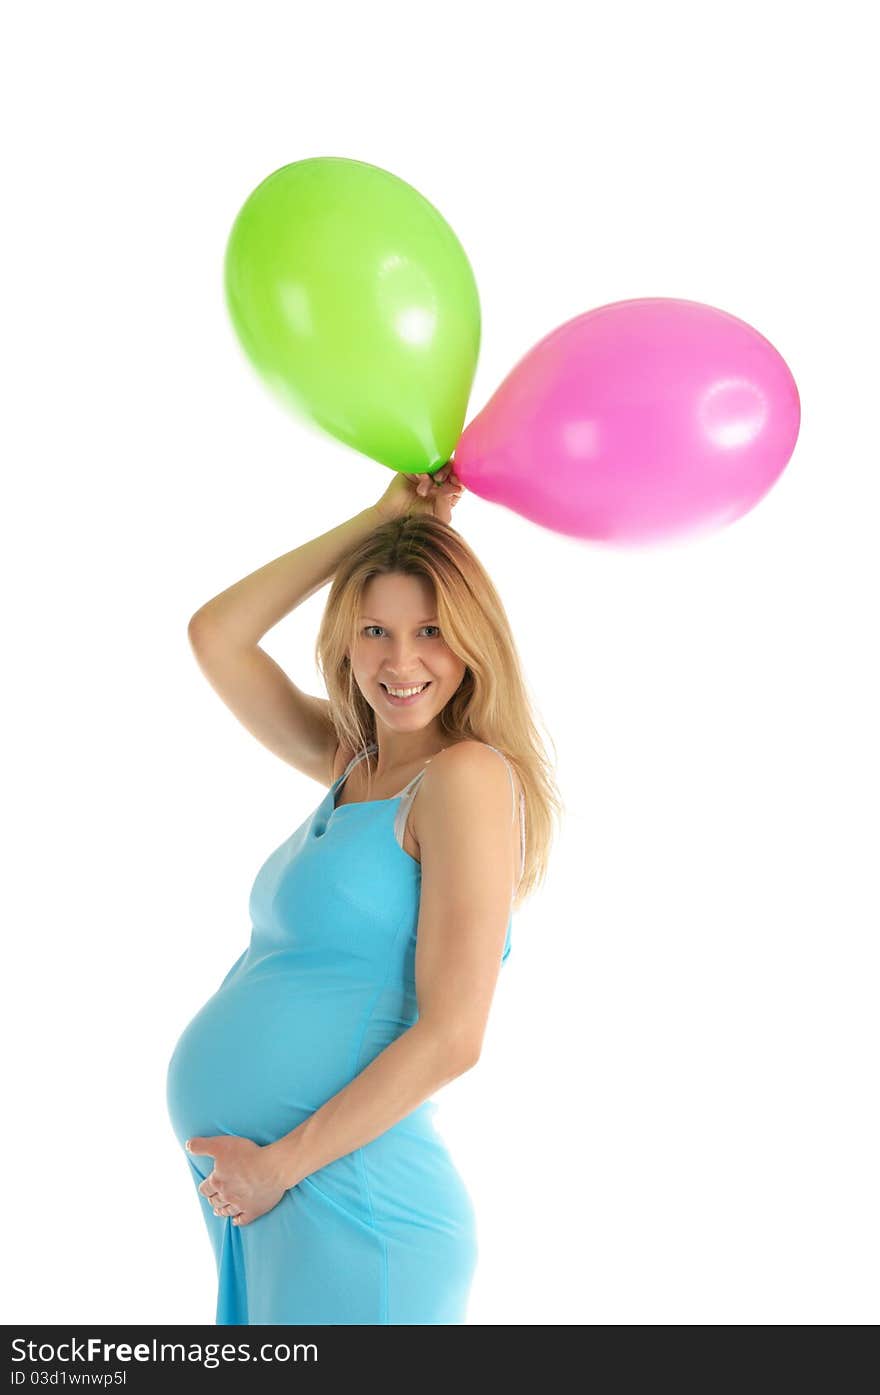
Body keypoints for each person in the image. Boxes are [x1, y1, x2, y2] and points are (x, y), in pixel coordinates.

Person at [166, 463, 561, 1324]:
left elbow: (454, 1034)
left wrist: (277, 1166)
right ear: (345, 638)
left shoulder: (464, 778)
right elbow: (216, 635)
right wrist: (376, 521)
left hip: (350, 1202)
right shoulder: (356, 764)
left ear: (473, 642)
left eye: (431, 631)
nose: (402, 659)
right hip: (276, 1198)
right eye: (375, 629)